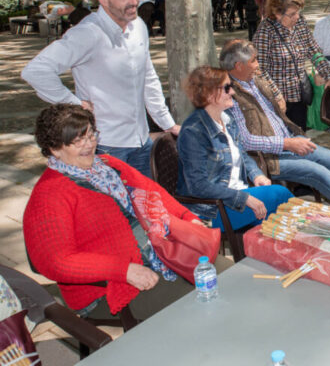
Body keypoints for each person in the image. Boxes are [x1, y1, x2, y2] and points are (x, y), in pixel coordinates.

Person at [23, 104, 224, 321]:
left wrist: (188, 218)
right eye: (77, 140)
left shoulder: (109, 165)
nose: (89, 145)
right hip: (111, 287)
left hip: (162, 254)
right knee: (203, 307)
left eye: (91, 135)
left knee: (228, 275)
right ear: (54, 148)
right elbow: (56, 261)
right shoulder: (49, 195)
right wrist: (124, 270)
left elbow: (154, 192)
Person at [21, 0, 179, 178]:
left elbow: (148, 77)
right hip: (106, 145)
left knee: (143, 206)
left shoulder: (138, 26)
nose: (133, 1)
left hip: (140, 141)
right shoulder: (87, 33)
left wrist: (167, 124)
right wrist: (75, 104)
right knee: (112, 210)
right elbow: (35, 71)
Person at [221, 39, 330, 203]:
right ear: (239, 66)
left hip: (289, 142)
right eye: (253, 60)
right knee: (317, 171)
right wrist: (286, 144)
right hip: (267, 158)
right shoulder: (228, 94)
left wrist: (291, 140)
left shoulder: (254, 80)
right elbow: (245, 141)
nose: (257, 64)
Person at [176, 66, 293, 231]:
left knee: (275, 222)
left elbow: (241, 154)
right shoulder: (193, 131)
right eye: (227, 87)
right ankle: (315, 229)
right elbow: (198, 185)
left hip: (235, 199)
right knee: (280, 195)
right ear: (209, 94)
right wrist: (244, 198)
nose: (232, 92)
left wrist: (257, 175)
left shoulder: (227, 119)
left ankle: (270, 252)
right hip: (212, 211)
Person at [254, 0, 330, 130]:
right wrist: (276, 95)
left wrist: (329, 75)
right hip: (278, 99)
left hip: (299, 95)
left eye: (298, 12)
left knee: (300, 134)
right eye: (292, 14)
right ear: (277, 13)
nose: (297, 17)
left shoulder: (300, 23)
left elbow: (313, 50)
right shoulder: (265, 31)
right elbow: (260, 69)